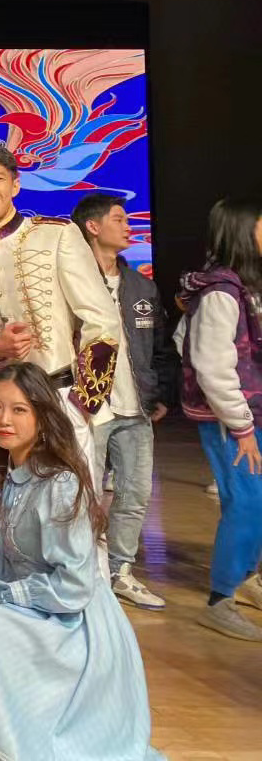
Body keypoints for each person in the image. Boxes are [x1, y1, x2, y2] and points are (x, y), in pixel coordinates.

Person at [0, 362, 164, 761]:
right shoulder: (14, 476)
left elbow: (74, 587)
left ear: (42, 415)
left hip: (72, 621)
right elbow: (11, 565)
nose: (3, 420)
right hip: (38, 606)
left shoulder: (60, 484)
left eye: (19, 409)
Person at [0, 143, 122, 482]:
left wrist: (86, 400)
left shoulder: (57, 235)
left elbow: (101, 319)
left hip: (60, 395)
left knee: (70, 502)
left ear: (15, 185)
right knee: (5, 503)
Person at [71, 192, 171, 611]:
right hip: (90, 409)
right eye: (119, 219)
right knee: (83, 495)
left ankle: (120, 572)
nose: (129, 226)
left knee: (134, 495)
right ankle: (85, 573)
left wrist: (159, 392)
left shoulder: (142, 286)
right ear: (93, 227)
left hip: (136, 410)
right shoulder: (73, 281)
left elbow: (160, 346)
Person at [175, 196, 262, 642]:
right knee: (246, 502)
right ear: (243, 233)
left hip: (251, 412)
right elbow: (212, 366)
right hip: (232, 420)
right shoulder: (220, 294)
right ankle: (220, 599)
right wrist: (241, 425)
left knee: (256, 501)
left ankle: (246, 576)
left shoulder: (247, 286)